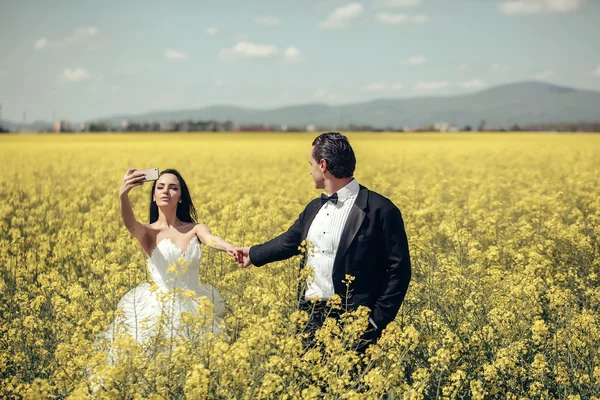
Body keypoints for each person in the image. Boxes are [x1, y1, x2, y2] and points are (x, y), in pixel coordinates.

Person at [238, 132, 411, 352]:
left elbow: (400, 270)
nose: (308, 170)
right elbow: (289, 242)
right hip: (311, 319)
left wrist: (375, 321)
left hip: (355, 322)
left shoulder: (380, 209)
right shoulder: (313, 208)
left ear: (323, 165)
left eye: (310, 164)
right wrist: (252, 254)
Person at [98, 168, 241, 348]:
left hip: (196, 304)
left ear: (180, 197)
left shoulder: (195, 229)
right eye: (160, 187)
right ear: (154, 196)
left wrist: (229, 247)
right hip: (157, 309)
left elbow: (211, 239)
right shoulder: (149, 232)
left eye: (173, 188)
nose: (166, 191)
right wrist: (123, 195)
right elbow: (130, 224)